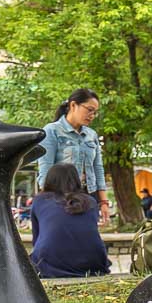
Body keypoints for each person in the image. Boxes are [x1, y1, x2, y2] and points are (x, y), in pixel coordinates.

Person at [37, 88, 110, 225]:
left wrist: (104, 202)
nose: (92, 115)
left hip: (89, 196)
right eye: (89, 109)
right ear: (73, 105)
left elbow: (98, 169)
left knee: (87, 239)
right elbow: (45, 170)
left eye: (95, 112)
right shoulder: (52, 131)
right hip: (62, 197)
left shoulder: (91, 135)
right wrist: (46, 203)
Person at [29, 163, 111, 279]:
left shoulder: (40, 200)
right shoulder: (90, 201)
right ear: (76, 179)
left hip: (50, 261)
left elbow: (37, 237)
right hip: (93, 261)